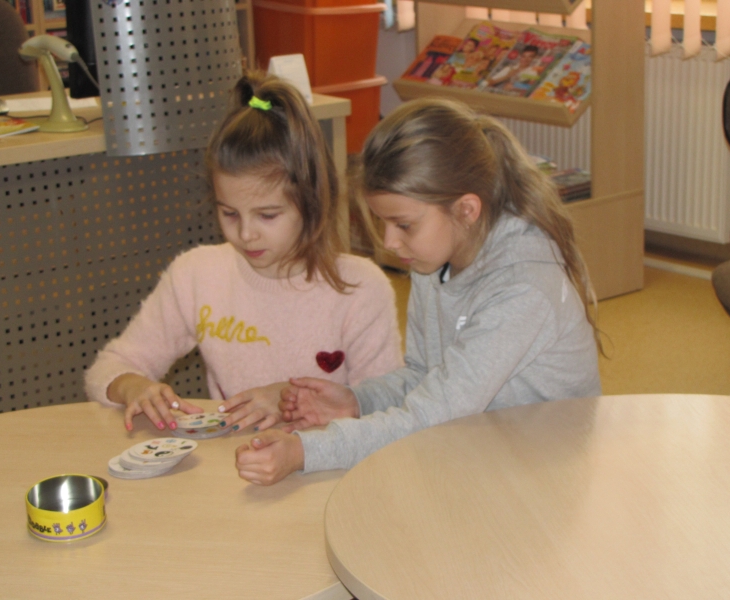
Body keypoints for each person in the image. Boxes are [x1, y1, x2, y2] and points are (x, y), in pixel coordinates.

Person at [233, 97, 602, 485]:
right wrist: (358, 401)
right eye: (383, 222)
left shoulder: (524, 291)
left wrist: (306, 451)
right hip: (483, 453)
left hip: (543, 479)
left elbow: (432, 416)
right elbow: (427, 376)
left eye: (404, 225)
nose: (389, 242)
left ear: (466, 210)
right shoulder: (435, 257)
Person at [84, 70, 403, 431]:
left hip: (328, 460)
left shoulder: (361, 288)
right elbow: (107, 368)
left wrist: (292, 399)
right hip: (237, 459)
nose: (247, 234)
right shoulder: (196, 274)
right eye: (229, 213)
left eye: (268, 215)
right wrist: (133, 386)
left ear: (312, 201)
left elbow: (388, 405)